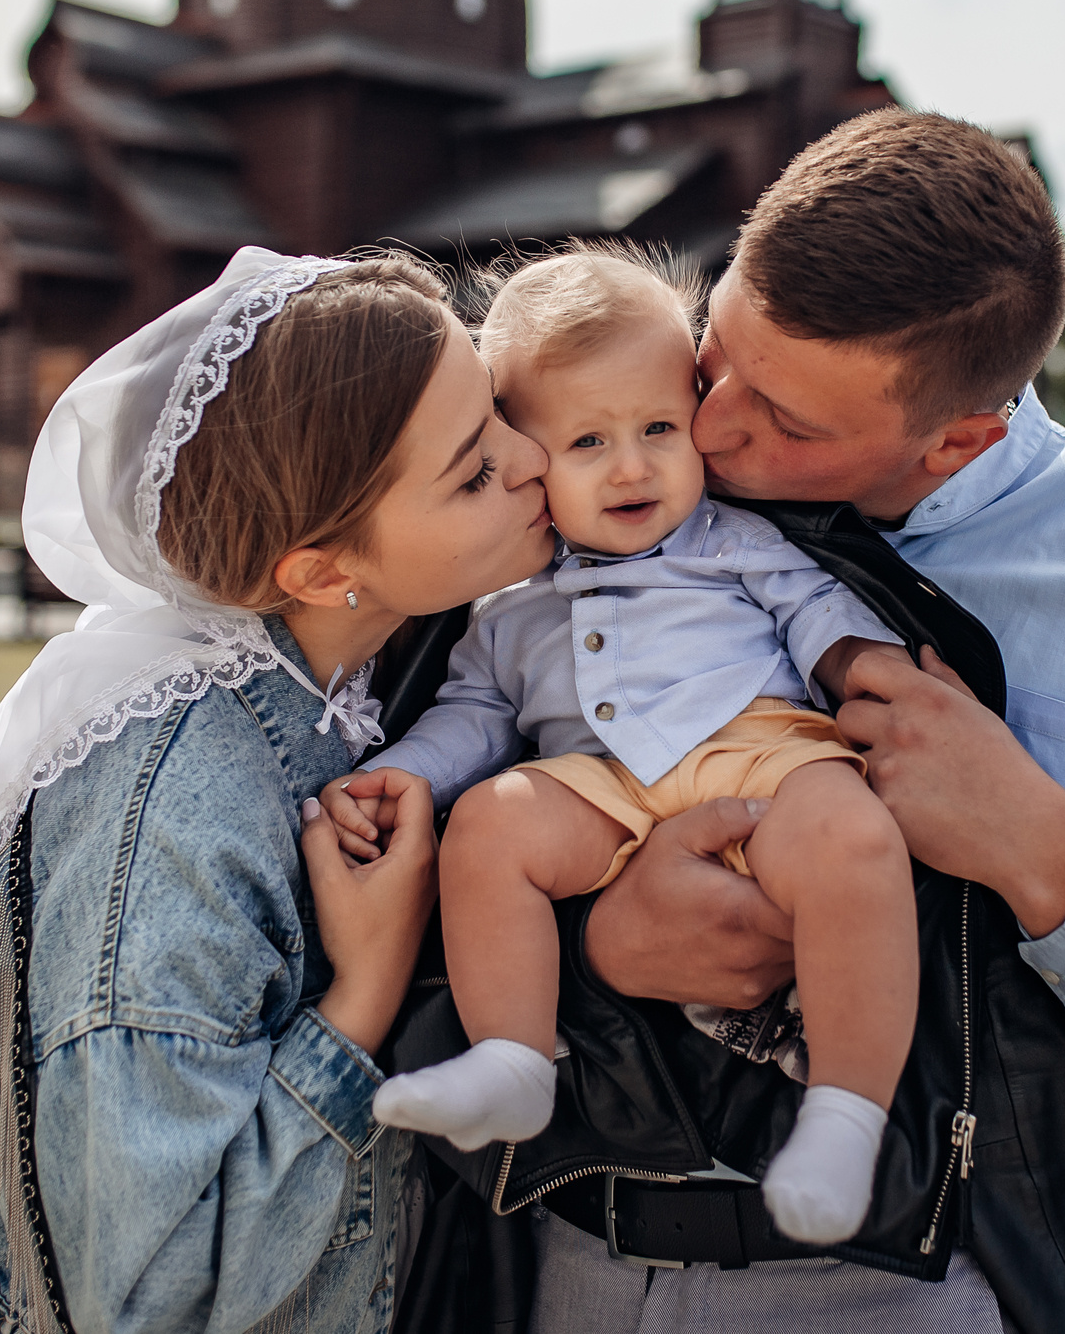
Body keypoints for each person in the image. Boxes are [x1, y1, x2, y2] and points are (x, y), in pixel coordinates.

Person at [519, 109, 1065, 1333]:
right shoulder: (580, 458)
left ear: (960, 437)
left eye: (791, 424)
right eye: (719, 352)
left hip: (922, 1291)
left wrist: (1037, 844)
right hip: (548, 1264)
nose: (705, 431)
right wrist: (594, 945)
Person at [0, 249, 552, 1334]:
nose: (534, 457)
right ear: (320, 572)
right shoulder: (176, 801)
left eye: (498, 413)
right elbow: (147, 1293)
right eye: (472, 472)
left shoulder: (347, 686)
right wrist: (359, 996)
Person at [352, 247, 911, 1244]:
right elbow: (474, 716)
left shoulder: (731, 542)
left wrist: (872, 672)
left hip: (761, 757)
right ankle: (514, 1061)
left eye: (659, 427)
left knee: (853, 838)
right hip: (601, 788)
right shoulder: (511, 607)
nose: (632, 464)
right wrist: (407, 773)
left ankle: (845, 1111)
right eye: (586, 442)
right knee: (487, 823)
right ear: (524, 459)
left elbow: (817, 613)